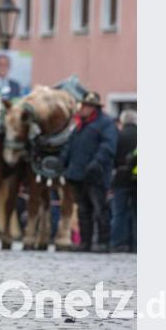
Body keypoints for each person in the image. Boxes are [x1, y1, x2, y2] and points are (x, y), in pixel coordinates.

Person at [61, 91, 118, 253]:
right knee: (83, 210)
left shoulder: (105, 123)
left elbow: (107, 147)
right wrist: (62, 161)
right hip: (78, 175)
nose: (83, 108)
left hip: (96, 175)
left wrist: (96, 163)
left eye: (86, 106)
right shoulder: (79, 124)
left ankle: (103, 242)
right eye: (83, 105)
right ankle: (85, 242)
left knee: (100, 209)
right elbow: (69, 145)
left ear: (94, 108)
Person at [111, 110, 137, 253]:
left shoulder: (118, 136)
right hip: (137, 180)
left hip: (120, 178)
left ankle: (117, 243)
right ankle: (135, 243)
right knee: (137, 212)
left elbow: (112, 156)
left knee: (119, 212)